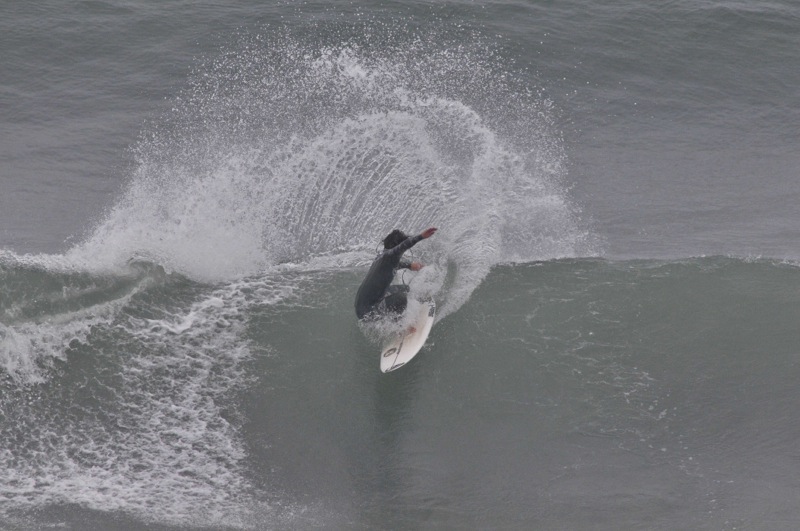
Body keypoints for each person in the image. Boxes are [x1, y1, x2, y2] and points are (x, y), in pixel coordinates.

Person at [355, 227, 437, 320]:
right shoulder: (390, 255)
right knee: (401, 298)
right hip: (367, 312)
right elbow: (404, 245)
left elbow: (392, 265)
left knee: (405, 288)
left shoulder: (382, 256)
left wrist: (409, 265)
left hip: (361, 306)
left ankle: (414, 303)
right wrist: (421, 236)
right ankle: (399, 326)